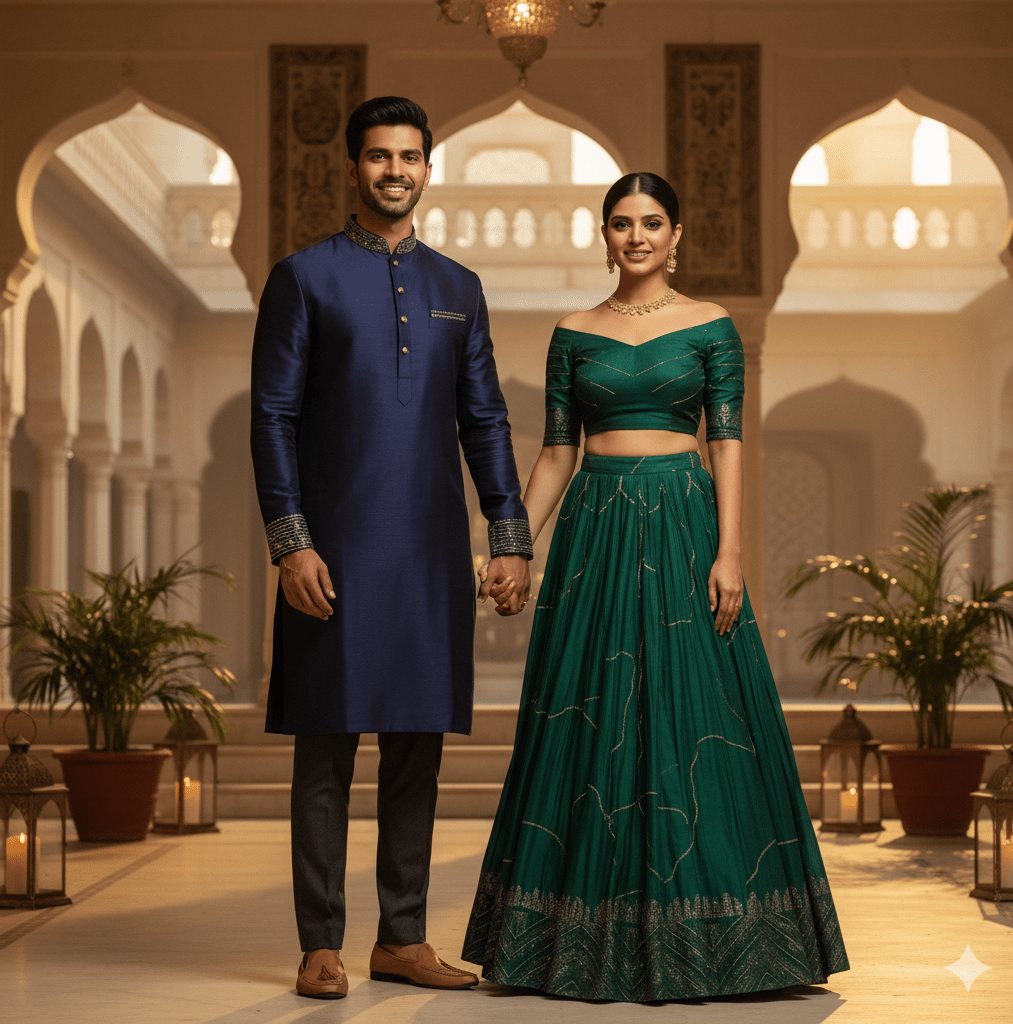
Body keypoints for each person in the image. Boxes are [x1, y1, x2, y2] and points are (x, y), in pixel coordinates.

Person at [463, 172, 851, 1001]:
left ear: (676, 236)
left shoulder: (712, 325)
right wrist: (511, 546)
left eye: (650, 222)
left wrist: (729, 551)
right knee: (587, 709)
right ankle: (565, 941)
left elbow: (728, 443)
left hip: (683, 524)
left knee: (697, 712)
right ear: (603, 236)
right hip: (596, 531)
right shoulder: (574, 332)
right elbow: (558, 452)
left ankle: (723, 939)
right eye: (620, 223)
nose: (635, 236)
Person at [250, 96, 532, 1000]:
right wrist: (290, 542)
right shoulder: (304, 278)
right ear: (352, 168)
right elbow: (273, 417)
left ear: (428, 168)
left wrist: (510, 535)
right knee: (326, 745)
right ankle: (320, 945)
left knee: (417, 746)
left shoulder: (459, 287)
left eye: (409, 157)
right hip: (332, 551)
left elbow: (484, 419)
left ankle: (402, 938)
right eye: (379, 156)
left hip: (429, 555)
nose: (395, 171)